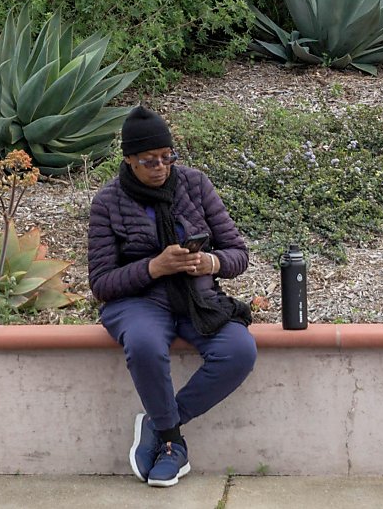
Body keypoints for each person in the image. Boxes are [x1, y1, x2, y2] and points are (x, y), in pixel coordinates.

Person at [87, 105, 256, 488]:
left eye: (168, 157)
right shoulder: (107, 202)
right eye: (149, 161)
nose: (161, 167)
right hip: (138, 302)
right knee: (144, 344)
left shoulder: (195, 185)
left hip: (198, 299)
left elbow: (237, 253)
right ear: (129, 160)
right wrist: (154, 267)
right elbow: (101, 282)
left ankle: (160, 424)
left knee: (239, 351)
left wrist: (210, 262)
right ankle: (173, 443)